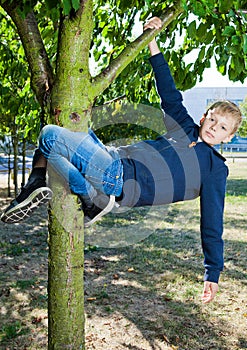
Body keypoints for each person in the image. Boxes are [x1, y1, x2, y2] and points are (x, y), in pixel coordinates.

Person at [1, 17, 242, 303]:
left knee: (51, 136)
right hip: (112, 160)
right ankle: (87, 197)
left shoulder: (215, 169)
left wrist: (212, 272)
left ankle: (43, 185)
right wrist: (151, 40)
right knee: (68, 127)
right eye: (213, 119)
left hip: (119, 177)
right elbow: (169, 94)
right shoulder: (184, 128)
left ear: (228, 138)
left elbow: (212, 223)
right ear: (204, 116)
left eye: (222, 127)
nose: (214, 127)